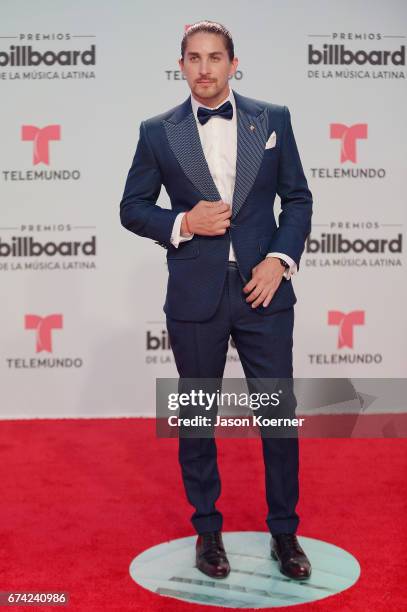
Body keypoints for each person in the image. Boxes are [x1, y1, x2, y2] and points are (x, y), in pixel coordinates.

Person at [120, 20, 313, 581]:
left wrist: (279, 260)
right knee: (198, 417)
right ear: (181, 66)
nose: (204, 67)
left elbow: (297, 198)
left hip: (264, 291)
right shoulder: (158, 131)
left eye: (214, 57)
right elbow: (132, 207)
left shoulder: (272, 119)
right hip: (195, 292)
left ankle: (285, 533)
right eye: (193, 58)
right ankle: (208, 531)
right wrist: (182, 220)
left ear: (233, 64)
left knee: (277, 418)